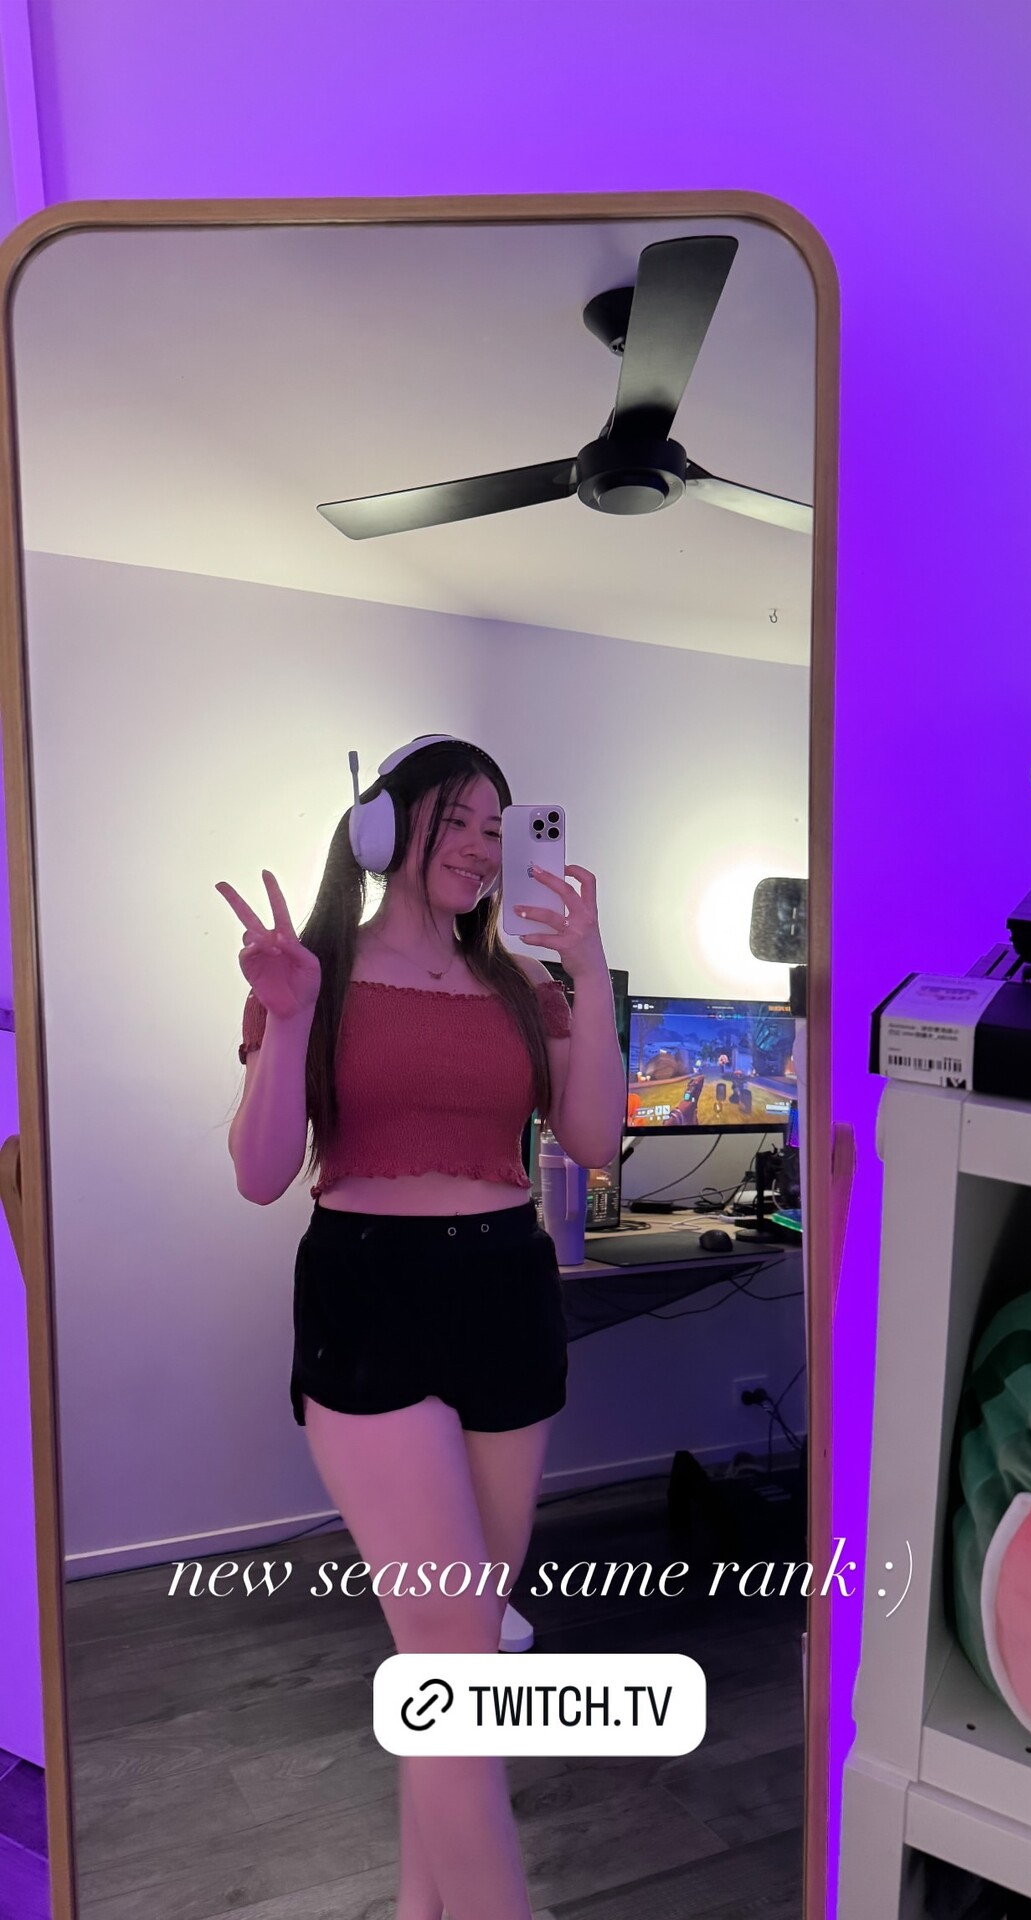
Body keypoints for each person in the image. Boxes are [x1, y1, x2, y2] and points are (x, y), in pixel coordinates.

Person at [216, 737, 625, 1920]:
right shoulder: (313, 972)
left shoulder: (520, 986)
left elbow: (595, 1139)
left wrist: (590, 977)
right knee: (451, 1650)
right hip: (370, 1298)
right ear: (385, 828)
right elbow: (260, 1173)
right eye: (459, 817)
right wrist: (288, 1017)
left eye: (500, 825)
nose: (485, 846)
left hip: (506, 1294)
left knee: (459, 1656)